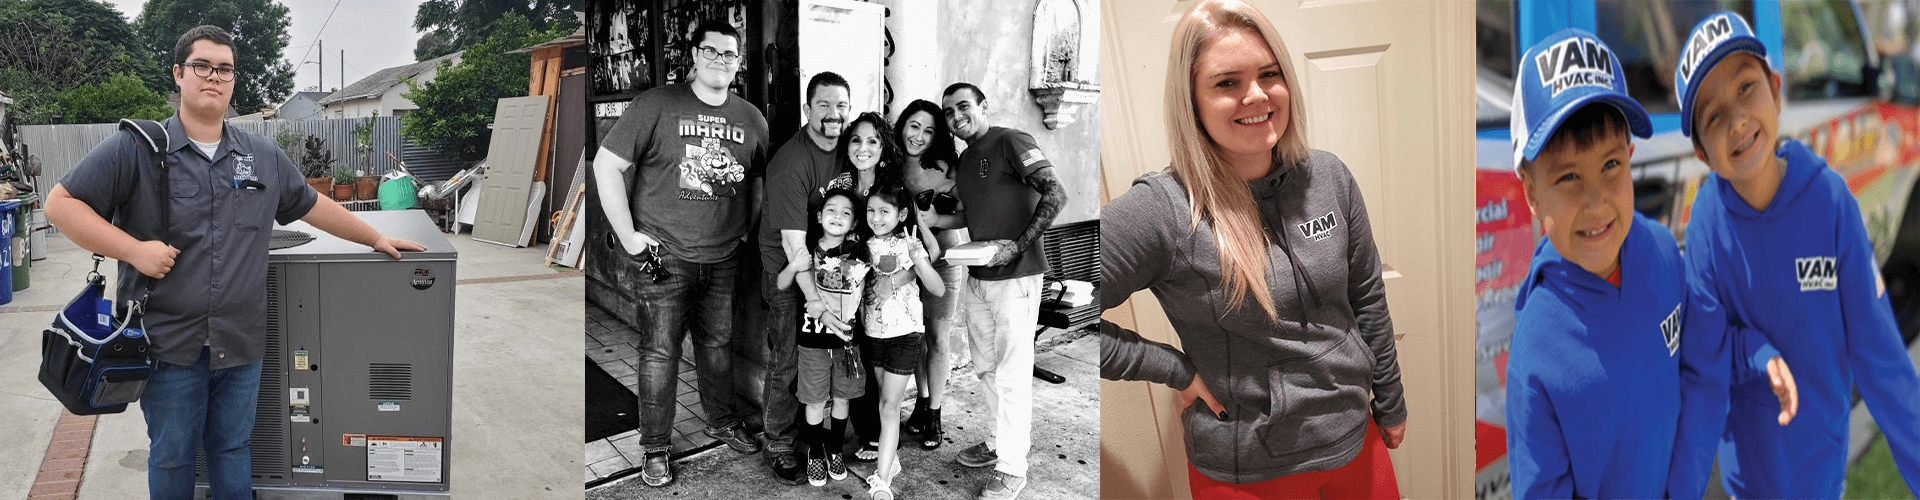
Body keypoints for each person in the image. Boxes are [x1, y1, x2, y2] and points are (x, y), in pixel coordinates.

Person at [43, 25, 425, 500]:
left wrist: (375, 235)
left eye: (224, 69)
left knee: (232, 449)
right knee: (172, 454)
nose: (214, 77)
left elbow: (310, 204)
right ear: (179, 74)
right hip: (168, 346)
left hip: (240, 344)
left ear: (233, 80)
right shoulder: (138, 148)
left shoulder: (260, 156)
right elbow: (60, 204)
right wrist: (133, 249)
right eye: (202, 66)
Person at [1097, 1, 1404, 497]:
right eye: (1226, 83)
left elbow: (1366, 296)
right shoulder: (1165, 209)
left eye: (1269, 74)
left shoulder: (1328, 177)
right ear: (1191, 100)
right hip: (1249, 475)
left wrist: (1390, 401)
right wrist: (1171, 369)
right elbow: (1042, 304)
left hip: (1355, 443)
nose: (1257, 95)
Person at [1499, 28, 1796, 499]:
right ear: (1532, 192)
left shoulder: (1660, 249)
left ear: (1631, 157)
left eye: (1611, 166)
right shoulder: (1535, 356)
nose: (1596, 201)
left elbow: (1706, 351)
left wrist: (1756, 353)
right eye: (1569, 177)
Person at [1675, 12, 1920, 498]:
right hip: (1746, 476)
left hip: (1822, 471)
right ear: (1702, 152)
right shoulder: (1704, 226)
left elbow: (1881, 359)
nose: (1738, 119)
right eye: (1714, 116)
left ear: (1776, 88)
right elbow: (1705, 368)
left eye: (1746, 88)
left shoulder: (1830, 201)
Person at [591, 20, 770, 488]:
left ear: (739, 61)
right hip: (663, 256)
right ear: (693, 55)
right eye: (711, 51)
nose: (720, 60)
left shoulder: (752, 119)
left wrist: (746, 234)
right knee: (659, 352)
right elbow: (606, 164)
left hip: (724, 257)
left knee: (716, 347)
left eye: (730, 54)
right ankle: (654, 446)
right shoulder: (655, 105)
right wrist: (629, 236)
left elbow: (756, 181)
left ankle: (722, 420)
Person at [939, 79, 1068, 499]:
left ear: (983, 105)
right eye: (949, 113)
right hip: (979, 276)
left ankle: (1014, 469)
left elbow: (1056, 192)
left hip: (1018, 276)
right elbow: (970, 213)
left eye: (963, 107)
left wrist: (1018, 245)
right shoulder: (965, 160)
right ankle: (998, 443)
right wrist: (931, 216)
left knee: (1012, 376)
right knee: (985, 368)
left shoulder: (1011, 141)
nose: (957, 117)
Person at [760, 70, 854, 484]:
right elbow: (794, 250)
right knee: (788, 357)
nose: (833, 114)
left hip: (834, 266)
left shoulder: (850, 150)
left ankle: (822, 437)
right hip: (790, 269)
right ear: (807, 110)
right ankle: (779, 443)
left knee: (836, 354)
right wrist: (815, 301)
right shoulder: (791, 162)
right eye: (824, 106)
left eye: (841, 106)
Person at [860, 182, 945, 500]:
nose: (876, 217)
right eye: (871, 210)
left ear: (902, 214)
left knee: (888, 405)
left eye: (884, 211)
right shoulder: (863, 244)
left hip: (905, 334)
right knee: (885, 401)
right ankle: (890, 458)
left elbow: (937, 289)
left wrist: (917, 261)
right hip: (874, 333)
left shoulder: (909, 244)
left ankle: (882, 481)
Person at [782, 188, 870, 488]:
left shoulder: (859, 253)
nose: (838, 217)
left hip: (847, 341)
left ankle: (835, 450)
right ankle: (816, 452)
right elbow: (784, 282)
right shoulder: (806, 250)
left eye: (846, 213)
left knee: (842, 397)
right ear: (819, 216)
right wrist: (795, 266)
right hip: (813, 342)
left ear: (855, 223)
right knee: (816, 400)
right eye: (831, 210)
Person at [895, 98, 968, 450]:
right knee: (915, 338)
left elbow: (968, 213)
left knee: (938, 338)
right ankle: (922, 401)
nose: (919, 136)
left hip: (944, 258)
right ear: (902, 125)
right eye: (914, 126)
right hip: (906, 261)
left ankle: (935, 415)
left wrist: (937, 220)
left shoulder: (945, 167)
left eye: (929, 130)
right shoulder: (889, 163)